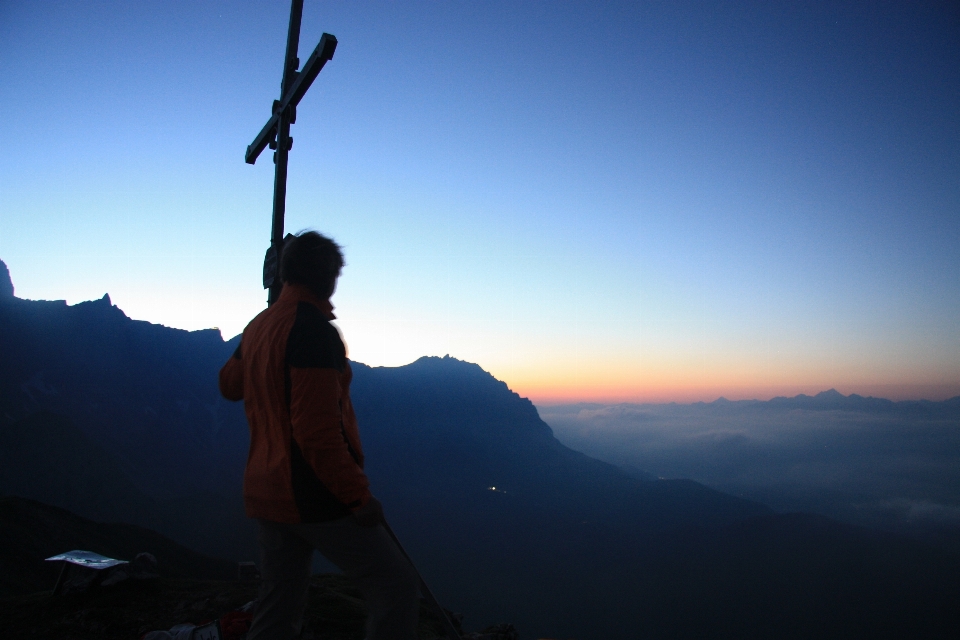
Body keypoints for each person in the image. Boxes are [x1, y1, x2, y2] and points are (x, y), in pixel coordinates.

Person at [219, 231, 420, 640]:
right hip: (312, 495)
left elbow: (229, 385)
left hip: (266, 491)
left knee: (279, 603)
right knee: (396, 587)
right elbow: (316, 432)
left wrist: (255, 346)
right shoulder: (312, 331)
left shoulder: (261, 325)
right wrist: (356, 497)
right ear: (326, 275)